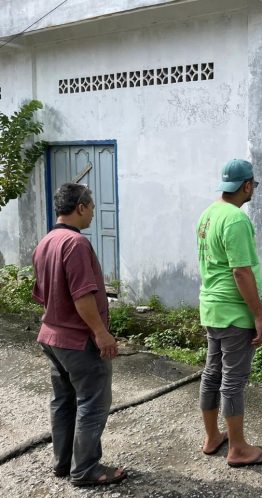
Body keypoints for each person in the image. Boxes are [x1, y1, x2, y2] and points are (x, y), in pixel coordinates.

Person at [32, 183, 127, 486]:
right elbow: (82, 295)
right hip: (77, 340)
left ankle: (63, 463)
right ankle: (85, 469)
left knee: (63, 400)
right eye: (92, 207)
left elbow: (43, 293)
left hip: (51, 336)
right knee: (92, 401)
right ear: (81, 207)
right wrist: (101, 333)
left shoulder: (46, 241)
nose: (94, 213)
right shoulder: (76, 244)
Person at [197, 158, 262, 467]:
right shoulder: (235, 219)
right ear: (246, 186)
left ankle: (212, 437)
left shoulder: (208, 214)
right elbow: (241, 272)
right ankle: (239, 448)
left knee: (212, 374)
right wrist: (259, 316)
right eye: (253, 185)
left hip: (212, 308)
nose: (253, 190)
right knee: (232, 380)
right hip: (233, 312)